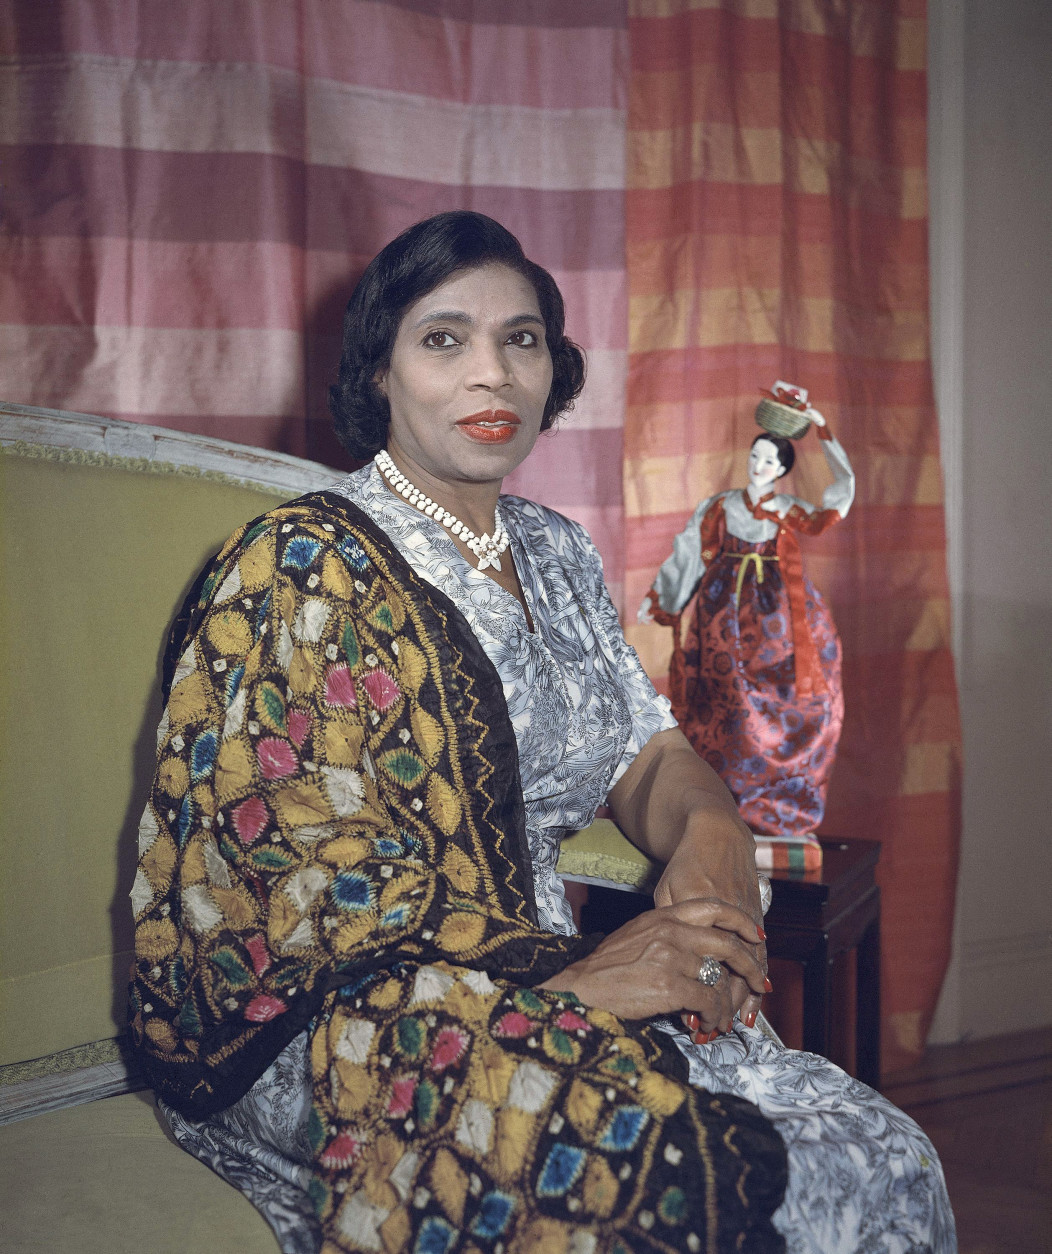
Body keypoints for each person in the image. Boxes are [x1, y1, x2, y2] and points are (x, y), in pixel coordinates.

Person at [128, 212, 954, 1254]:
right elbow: (280, 876)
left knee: (882, 1154)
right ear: (379, 371)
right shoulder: (294, 563)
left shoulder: (554, 552)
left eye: (520, 340)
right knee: (688, 1192)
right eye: (443, 339)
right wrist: (570, 980)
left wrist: (711, 834)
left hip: (557, 975)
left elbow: (647, 751)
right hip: (359, 1028)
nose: (493, 373)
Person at [639, 416, 853, 843]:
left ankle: (778, 807)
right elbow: (690, 551)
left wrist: (823, 429)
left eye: (770, 460)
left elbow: (838, 500)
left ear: (783, 469)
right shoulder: (722, 506)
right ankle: (721, 805)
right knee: (727, 705)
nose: (759, 465)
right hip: (723, 616)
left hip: (781, 617)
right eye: (755, 456)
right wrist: (662, 598)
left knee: (796, 702)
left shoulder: (788, 509)